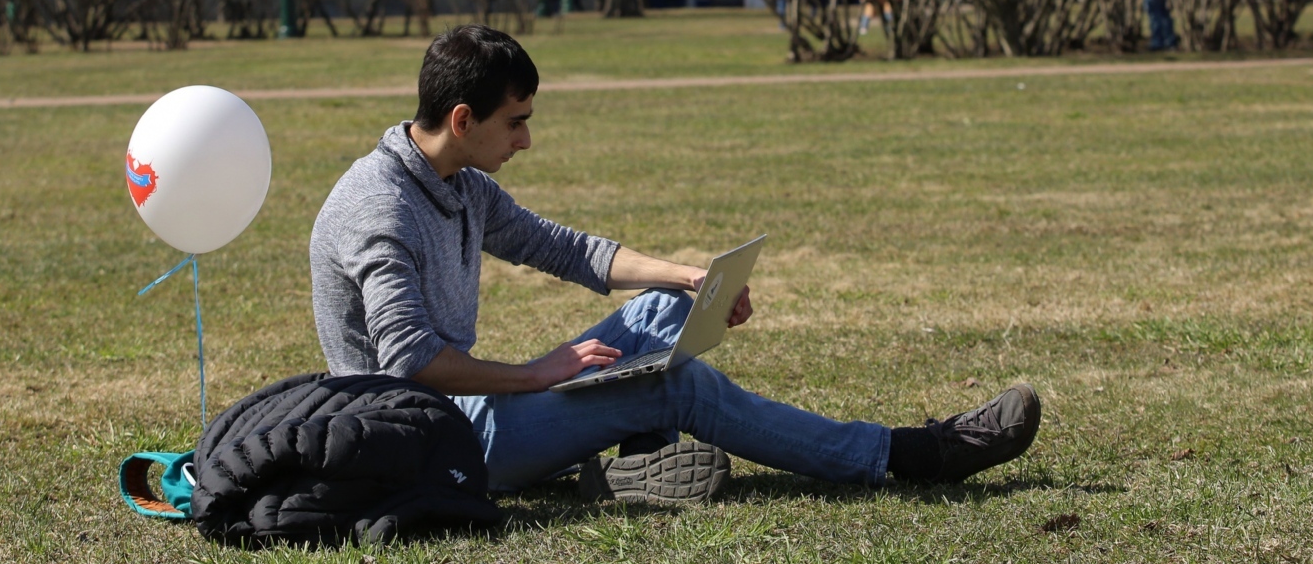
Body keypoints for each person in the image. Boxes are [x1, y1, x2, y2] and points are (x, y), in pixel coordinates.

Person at [310, 25, 1041, 505]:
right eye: (517, 120)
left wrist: (688, 277)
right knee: (679, 383)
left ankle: (632, 469)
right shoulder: (381, 208)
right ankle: (908, 454)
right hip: (434, 443)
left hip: (468, 414)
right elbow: (409, 361)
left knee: (666, 313)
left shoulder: (457, 182)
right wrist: (540, 372)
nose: (527, 140)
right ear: (464, 119)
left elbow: (565, 248)